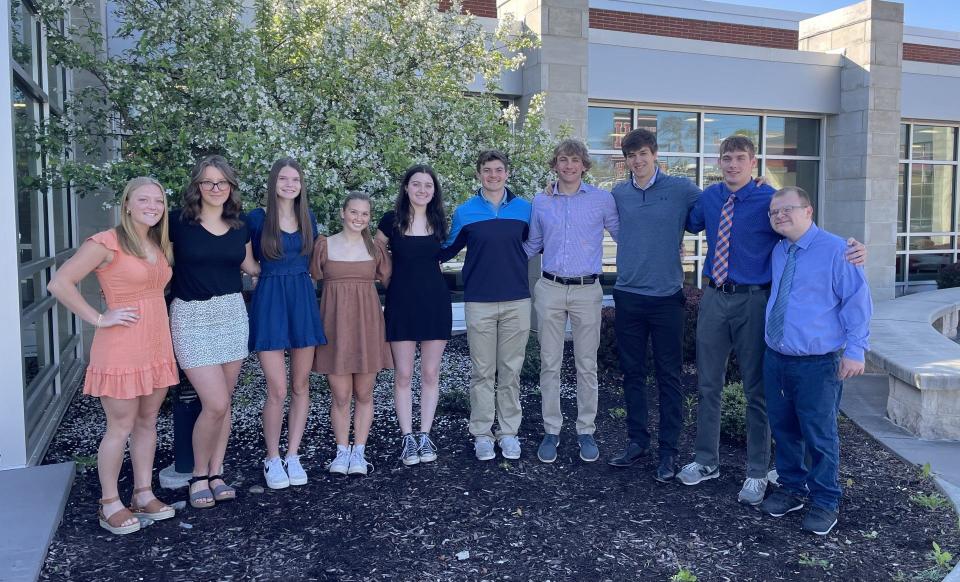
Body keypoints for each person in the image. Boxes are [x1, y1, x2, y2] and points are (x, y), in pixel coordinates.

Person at [679, 136, 866, 505]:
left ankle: (756, 471)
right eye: (726, 158)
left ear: (753, 163)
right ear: (719, 162)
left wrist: (855, 249)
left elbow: (805, 229)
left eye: (740, 159)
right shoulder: (711, 198)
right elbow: (686, 221)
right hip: (714, 297)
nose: (732, 165)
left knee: (756, 392)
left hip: (754, 301)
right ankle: (705, 461)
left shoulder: (770, 200)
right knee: (707, 385)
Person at [48, 177, 178, 534]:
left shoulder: (156, 242)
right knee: (120, 427)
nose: (153, 206)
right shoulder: (106, 242)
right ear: (127, 205)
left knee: (147, 422)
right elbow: (59, 282)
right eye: (144, 200)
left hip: (155, 343)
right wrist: (100, 318)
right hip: (121, 346)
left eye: (158, 200)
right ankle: (109, 503)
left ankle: (142, 493)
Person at [758, 186, 871, 536]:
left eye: (787, 209)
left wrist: (856, 350)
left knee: (820, 435)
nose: (780, 216)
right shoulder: (779, 250)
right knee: (784, 428)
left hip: (818, 364)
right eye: (774, 212)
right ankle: (793, 488)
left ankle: (825, 500)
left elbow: (857, 301)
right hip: (777, 357)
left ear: (809, 211)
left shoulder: (839, 251)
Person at [606, 129, 700, 480]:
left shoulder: (681, 190)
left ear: (655, 154)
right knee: (631, 374)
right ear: (625, 161)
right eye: (631, 156)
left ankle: (668, 452)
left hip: (666, 300)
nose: (638, 160)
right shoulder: (618, 193)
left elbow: (717, 208)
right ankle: (637, 442)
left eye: (643, 153)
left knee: (669, 376)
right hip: (628, 295)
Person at [169, 155, 260, 509]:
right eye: (208, 182)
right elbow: (154, 258)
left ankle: (216, 471)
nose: (216, 188)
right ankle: (198, 476)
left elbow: (250, 265)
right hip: (191, 315)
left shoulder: (239, 226)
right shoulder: (177, 223)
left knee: (224, 404)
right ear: (197, 186)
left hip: (231, 314)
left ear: (231, 187)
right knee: (215, 402)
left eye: (222, 182)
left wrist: (290, 268)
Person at [523, 139, 619, 463]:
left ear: (584, 165)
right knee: (549, 363)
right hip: (549, 288)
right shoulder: (541, 201)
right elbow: (532, 243)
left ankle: (585, 430)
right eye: (563, 160)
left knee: (586, 365)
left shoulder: (602, 200)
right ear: (555, 164)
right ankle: (552, 429)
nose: (568, 166)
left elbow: (624, 235)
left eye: (574, 160)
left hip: (586, 290)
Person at [438, 150, 532, 461]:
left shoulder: (525, 209)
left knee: (510, 371)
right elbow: (447, 249)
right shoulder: (466, 212)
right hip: (479, 301)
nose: (493, 175)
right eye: (487, 170)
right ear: (479, 174)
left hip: (517, 300)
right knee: (482, 371)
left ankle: (508, 433)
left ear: (508, 173)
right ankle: (481, 432)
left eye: (499, 170)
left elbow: (540, 242)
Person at [247, 158, 327, 489]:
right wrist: (265, 276)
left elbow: (314, 263)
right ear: (273, 182)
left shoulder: (308, 217)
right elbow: (246, 261)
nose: (289, 184)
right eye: (283, 178)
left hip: (302, 301)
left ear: (301, 184)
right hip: (270, 301)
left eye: (295, 179)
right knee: (278, 388)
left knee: (300, 385)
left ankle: (293, 454)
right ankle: (272, 457)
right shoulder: (256, 218)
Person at [311, 191, 393, 476]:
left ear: (369, 218)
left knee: (364, 392)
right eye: (354, 212)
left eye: (364, 214)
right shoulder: (324, 245)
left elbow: (393, 279)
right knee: (341, 395)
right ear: (343, 213)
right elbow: (308, 281)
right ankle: (341, 451)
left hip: (368, 326)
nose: (358, 218)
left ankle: (359, 451)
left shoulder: (375, 250)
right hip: (334, 326)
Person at [375, 165, 451, 466]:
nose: (422, 190)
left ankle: (425, 434)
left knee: (431, 374)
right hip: (401, 302)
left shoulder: (439, 221)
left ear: (434, 191)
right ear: (406, 187)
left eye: (428, 186)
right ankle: (407, 437)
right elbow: (375, 254)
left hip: (434, 302)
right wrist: (386, 277)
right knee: (403, 375)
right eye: (416, 184)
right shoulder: (390, 221)